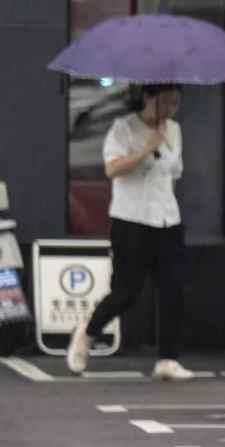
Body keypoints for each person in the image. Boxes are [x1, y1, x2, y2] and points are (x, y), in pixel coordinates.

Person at [67, 83, 194, 380]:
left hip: (167, 221)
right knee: (125, 293)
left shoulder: (174, 131)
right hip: (132, 220)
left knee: (173, 290)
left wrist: (167, 201)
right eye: (165, 101)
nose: (170, 109)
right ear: (147, 98)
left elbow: (173, 174)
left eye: (176, 103)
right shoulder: (123, 129)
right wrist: (147, 148)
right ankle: (88, 333)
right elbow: (112, 169)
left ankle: (168, 359)